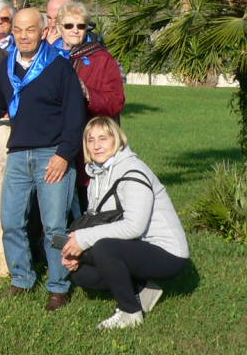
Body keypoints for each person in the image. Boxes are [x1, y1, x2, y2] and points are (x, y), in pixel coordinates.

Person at [0, 8, 86, 311]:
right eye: (19, 30)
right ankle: (22, 279)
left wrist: (64, 155)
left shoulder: (59, 67)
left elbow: (75, 116)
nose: (24, 35)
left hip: (51, 155)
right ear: (13, 32)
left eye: (30, 30)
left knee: (54, 226)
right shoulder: (8, 66)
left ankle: (58, 286)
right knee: (11, 221)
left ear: (43, 31)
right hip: (18, 155)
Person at [62, 117, 189, 329]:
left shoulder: (133, 171)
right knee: (82, 274)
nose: (96, 145)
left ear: (117, 140)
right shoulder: (97, 173)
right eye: (90, 139)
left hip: (168, 253)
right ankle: (143, 288)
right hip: (137, 247)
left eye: (103, 138)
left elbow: (134, 226)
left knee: (104, 249)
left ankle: (130, 312)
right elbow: (100, 222)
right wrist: (76, 253)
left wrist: (83, 241)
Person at [56, 0, 126, 209]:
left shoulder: (101, 58)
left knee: (87, 208)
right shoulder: (48, 57)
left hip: (88, 146)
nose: (75, 30)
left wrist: (88, 94)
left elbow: (116, 102)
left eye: (80, 25)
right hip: (55, 144)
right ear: (59, 27)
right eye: (69, 25)